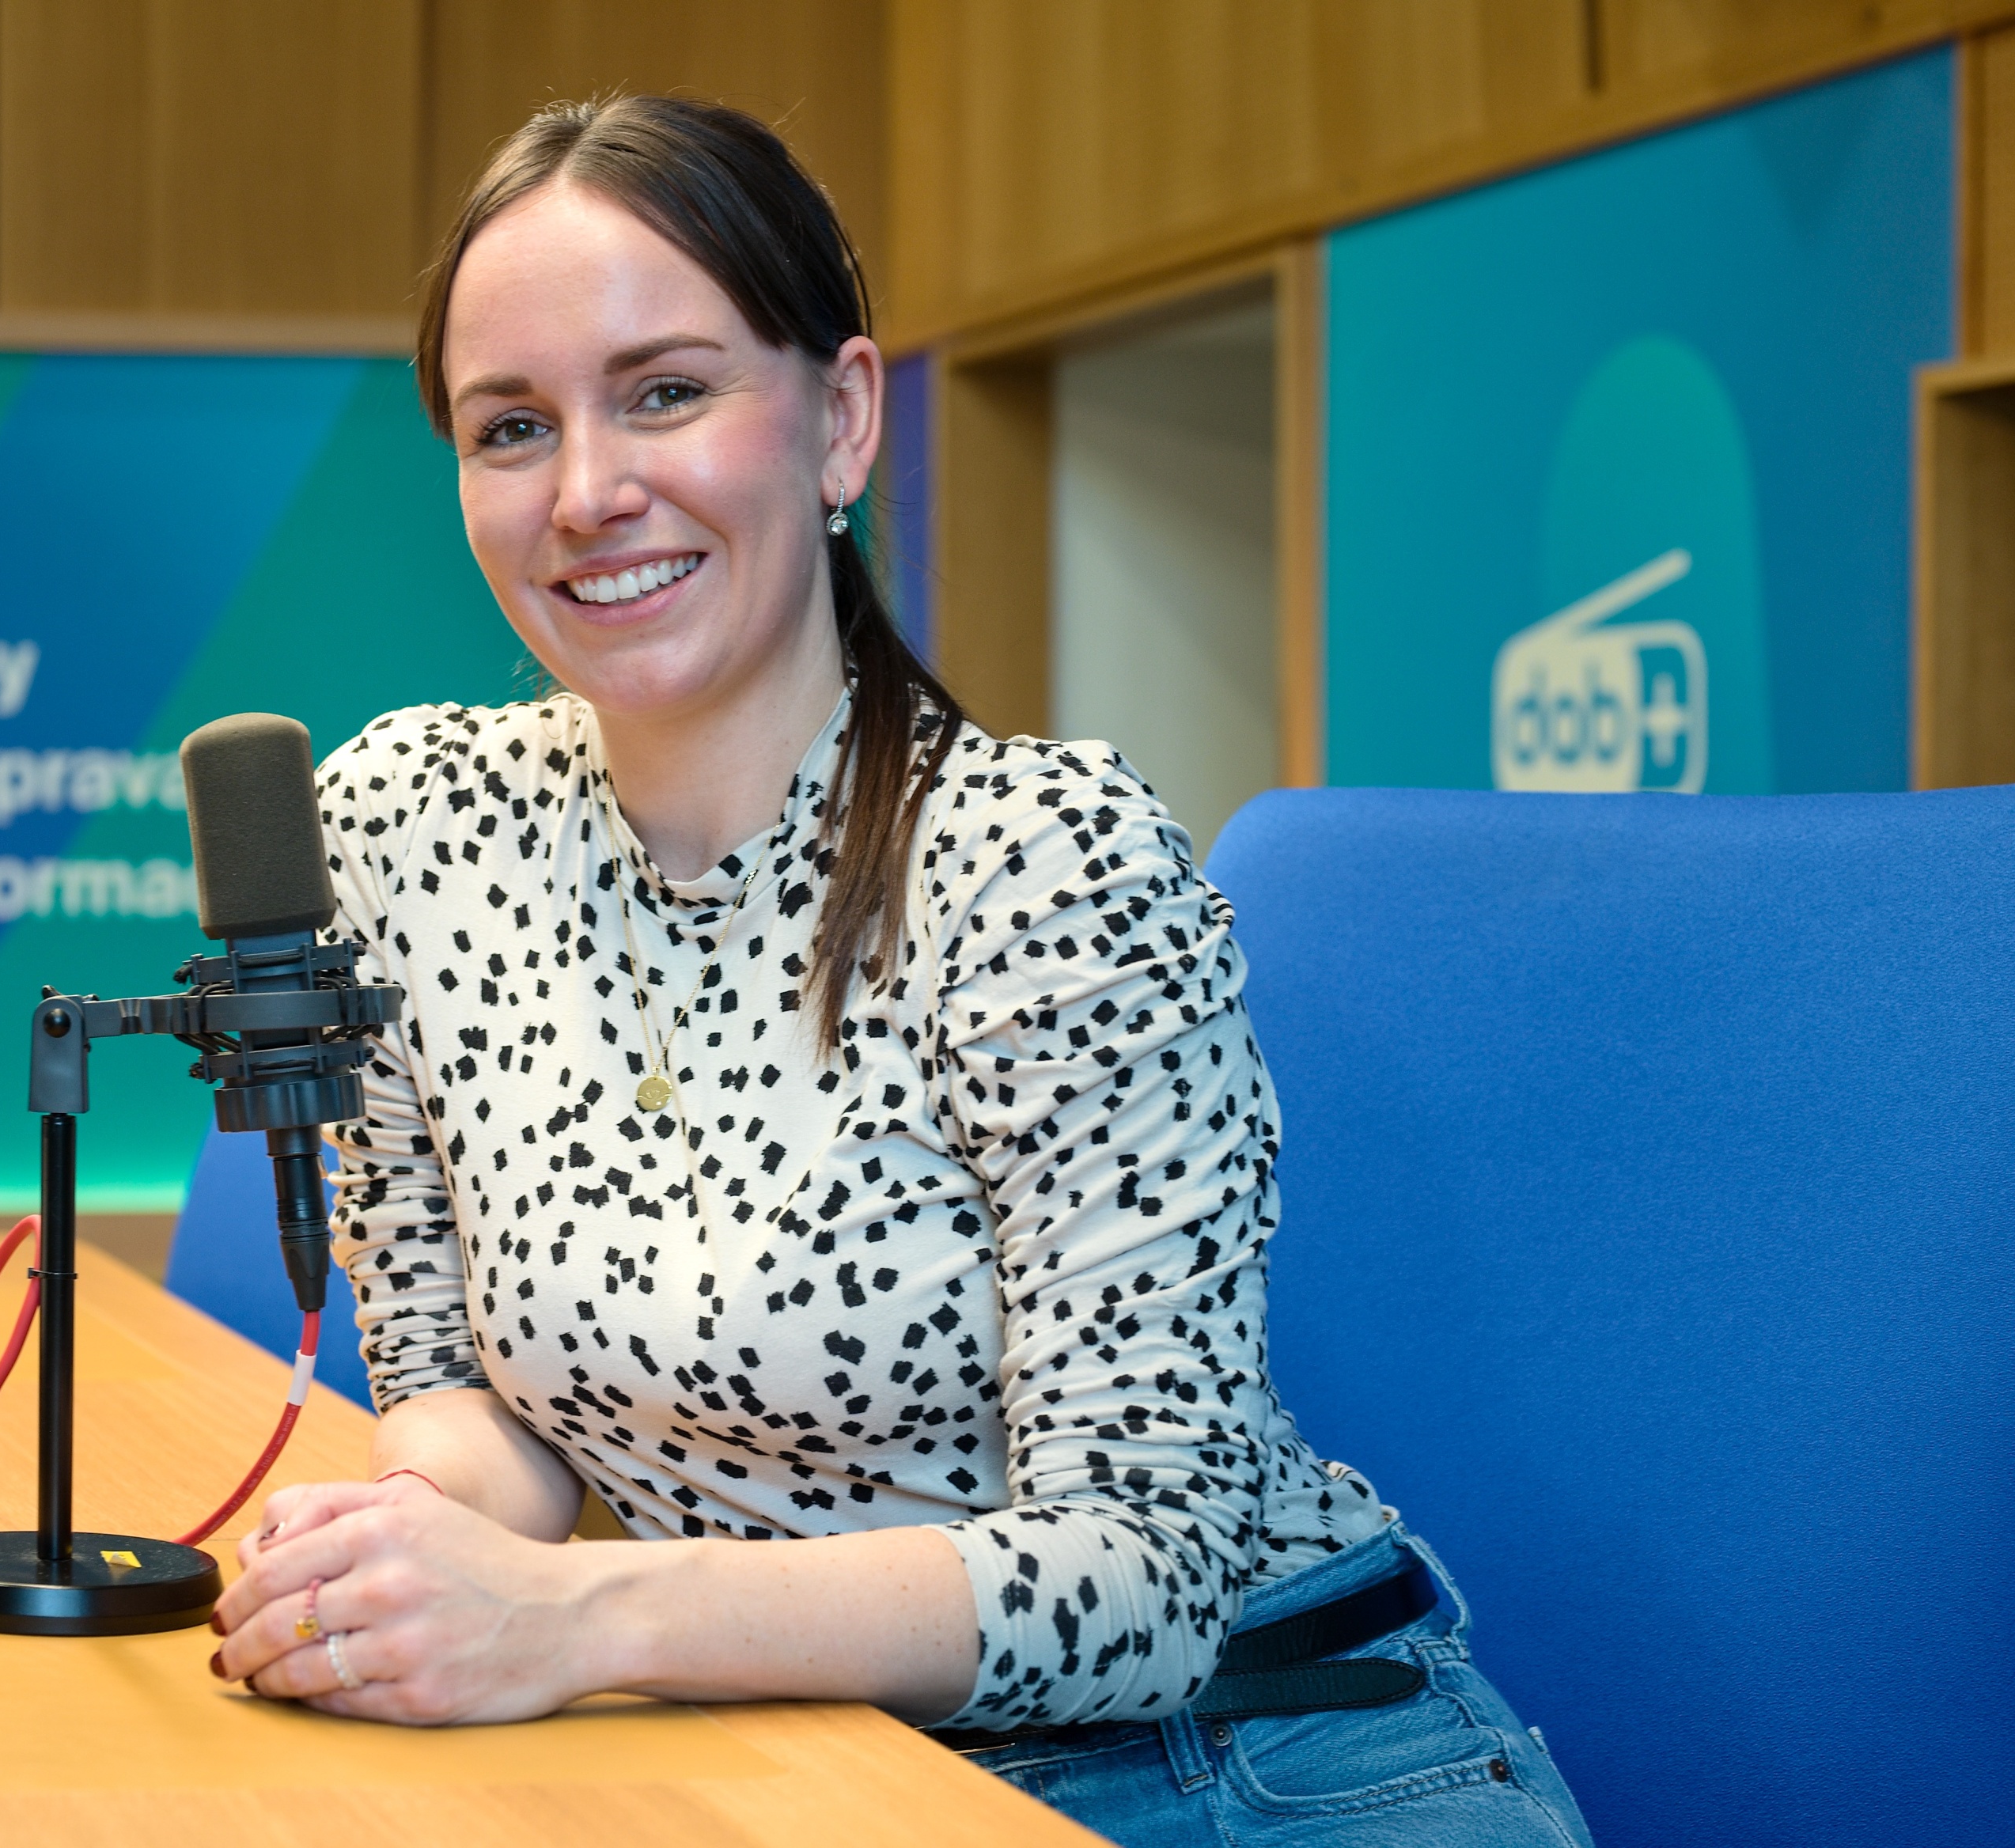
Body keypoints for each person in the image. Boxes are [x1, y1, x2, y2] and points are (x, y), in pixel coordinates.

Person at [210, 94, 1594, 1848]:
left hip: (1246, 1757)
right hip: (811, 1760)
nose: (586, 492)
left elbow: (1144, 1581)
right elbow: (461, 1396)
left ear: (843, 419)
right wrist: (408, 1554)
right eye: (511, 427)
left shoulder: (1044, 864)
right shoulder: (404, 828)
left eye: (666, 392)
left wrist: (572, 1618)